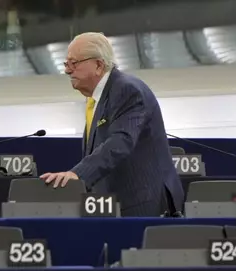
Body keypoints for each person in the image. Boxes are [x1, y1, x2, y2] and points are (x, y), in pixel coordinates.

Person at [40, 32, 184, 217]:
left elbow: (121, 141)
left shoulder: (126, 89)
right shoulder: (97, 96)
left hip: (144, 204)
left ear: (99, 65)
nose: (68, 70)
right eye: (66, 64)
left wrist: (78, 174)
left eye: (74, 63)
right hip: (115, 205)